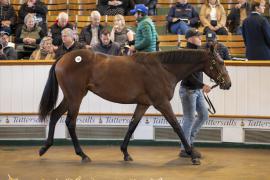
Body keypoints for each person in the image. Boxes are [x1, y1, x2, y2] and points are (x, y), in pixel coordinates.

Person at [179, 28, 211, 158]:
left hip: (195, 90)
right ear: (190, 38)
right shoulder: (186, 54)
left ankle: (189, 142)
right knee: (189, 118)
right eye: (197, 36)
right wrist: (202, 85)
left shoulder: (199, 52)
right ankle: (185, 148)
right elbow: (187, 76)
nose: (200, 38)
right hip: (188, 90)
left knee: (204, 115)